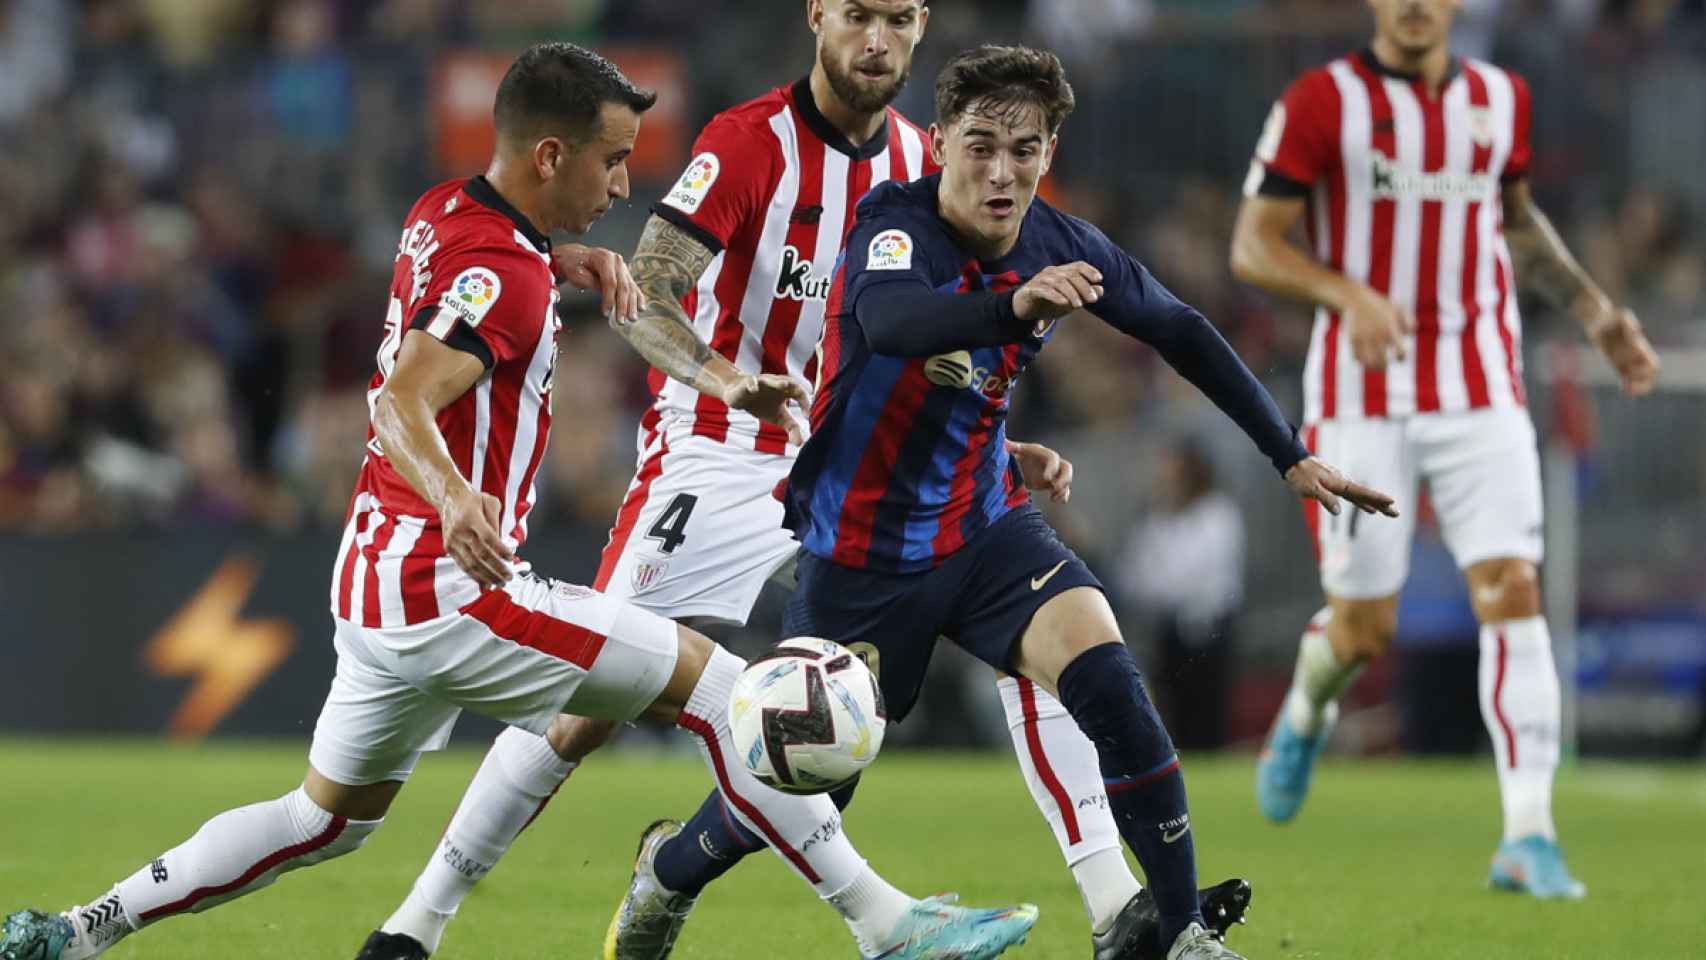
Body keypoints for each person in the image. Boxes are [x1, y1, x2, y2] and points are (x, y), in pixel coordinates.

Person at [0, 42, 1031, 960]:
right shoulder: (514, 277)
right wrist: (454, 496)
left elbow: (468, 295)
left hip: (370, 588)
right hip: (454, 585)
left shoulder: (443, 212)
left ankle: (83, 930)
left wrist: (557, 258)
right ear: (550, 156)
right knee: (729, 691)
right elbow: (406, 396)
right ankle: (887, 926)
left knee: (322, 821)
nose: (625, 181)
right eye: (612, 158)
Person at [361, 6, 1250, 960]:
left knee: (1025, 630)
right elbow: (648, 298)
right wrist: (728, 380)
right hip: (715, 448)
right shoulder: (747, 145)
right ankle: (423, 919)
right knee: (588, 706)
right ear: (818, 16)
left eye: (899, 18)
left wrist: (990, 448)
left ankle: (1117, 905)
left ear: (920, 29)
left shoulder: (933, 157)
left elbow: (941, 338)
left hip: (858, 462)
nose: (877, 39)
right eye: (858, 13)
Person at [625, 43, 1396, 960]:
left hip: (984, 525)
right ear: (942, 141)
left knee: (1110, 681)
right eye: (981, 145)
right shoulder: (893, 224)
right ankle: (669, 869)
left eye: (1023, 150)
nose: (1001, 171)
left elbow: (1180, 328)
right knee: (813, 782)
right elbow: (892, 323)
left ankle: (1175, 935)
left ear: (1049, 153)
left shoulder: (1059, 240)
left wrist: (1288, 454)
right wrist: (1015, 308)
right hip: (863, 549)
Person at [1230, 0, 1659, 900]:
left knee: (1513, 588)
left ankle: (1529, 833)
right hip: (1362, 395)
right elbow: (1253, 245)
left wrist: (1595, 311)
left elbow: (1514, 218)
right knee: (1363, 629)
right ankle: (1309, 706)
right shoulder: (1322, 101)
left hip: (1480, 386)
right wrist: (1349, 293)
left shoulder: (1502, 98)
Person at [1116, 440, 1245, 750]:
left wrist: (1159, 582)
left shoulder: (1217, 514)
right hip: (1169, 628)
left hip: (1210, 628)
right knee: (1170, 712)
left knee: (1207, 714)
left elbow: (1198, 575)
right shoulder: (1155, 520)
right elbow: (1132, 576)